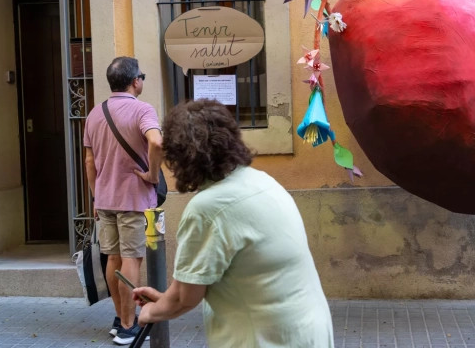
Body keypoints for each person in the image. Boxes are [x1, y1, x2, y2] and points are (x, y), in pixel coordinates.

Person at [132, 99, 334, 347]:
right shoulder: (261, 181)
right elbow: (193, 287)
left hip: (263, 339)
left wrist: (151, 313)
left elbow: (184, 300)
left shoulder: (208, 208)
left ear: (182, 157)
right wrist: (164, 299)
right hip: (307, 332)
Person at [83, 56, 163, 345]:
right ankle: (129, 327)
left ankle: (119, 319)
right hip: (133, 199)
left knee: (112, 258)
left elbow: (89, 161)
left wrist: (95, 195)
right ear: (135, 81)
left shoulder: (94, 114)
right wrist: (152, 175)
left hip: (104, 200)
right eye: (141, 76)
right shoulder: (143, 110)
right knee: (131, 259)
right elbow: (156, 142)